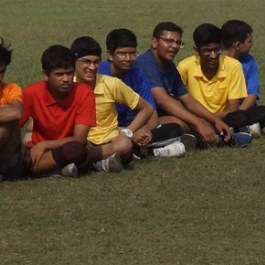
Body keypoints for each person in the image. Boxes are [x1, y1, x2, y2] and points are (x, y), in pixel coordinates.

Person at [120, 21, 226, 148]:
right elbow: (162, 100)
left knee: (199, 122)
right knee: (182, 125)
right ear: (154, 42)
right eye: (169, 41)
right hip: (137, 121)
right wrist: (197, 123)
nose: (174, 46)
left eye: (178, 43)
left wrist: (214, 119)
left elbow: (187, 99)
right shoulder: (145, 64)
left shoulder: (169, 66)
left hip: (158, 118)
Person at [71, 36, 152, 171]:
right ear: (74, 62)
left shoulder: (111, 83)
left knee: (125, 145)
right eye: (86, 62)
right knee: (74, 146)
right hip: (84, 140)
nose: (92, 67)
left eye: (96, 62)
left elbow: (147, 108)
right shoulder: (68, 86)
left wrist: (127, 131)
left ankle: (83, 161)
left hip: (111, 139)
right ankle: (101, 162)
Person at [103, 29, 187, 158]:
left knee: (175, 129)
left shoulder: (137, 74)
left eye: (132, 53)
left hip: (132, 127)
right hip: (107, 131)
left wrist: (144, 131)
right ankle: (149, 151)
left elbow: (152, 114)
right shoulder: (100, 75)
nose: (128, 59)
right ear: (110, 55)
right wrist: (129, 133)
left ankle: (139, 150)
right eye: (122, 54)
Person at [18, 44, 99, 177]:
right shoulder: (31, 92)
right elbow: (15, 126)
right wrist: (20, 148)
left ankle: (44, 169)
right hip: (37, 151)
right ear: (46, 75)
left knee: (77, 150)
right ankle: (54, 169)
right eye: (59, 74)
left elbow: (79, 139)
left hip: (65, 148)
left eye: (69, 73)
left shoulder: (84, 93)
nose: (66, 79)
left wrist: (45, 145)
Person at [179, 22, 265, 145]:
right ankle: (228, 135)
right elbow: (176, 100)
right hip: (197, 116)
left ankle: (205, 136)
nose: (213, 55)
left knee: (250, 114)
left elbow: (233, 109)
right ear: (196, 51)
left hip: (224, 117)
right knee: (175, 122)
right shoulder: (185, 66)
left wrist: (210, 119)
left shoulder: (234, 66)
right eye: (207, 51)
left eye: (217, 50)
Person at [221, 19, 265, 136]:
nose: (251, 45)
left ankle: (236, 126)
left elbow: (252, 94)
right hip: (221, 111)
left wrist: (238, 114)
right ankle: (243, 128)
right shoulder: (216, 62)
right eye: (249, 41)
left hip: (242, 110)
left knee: (264, 112)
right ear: (237, 45)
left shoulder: (249, 61)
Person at [0, 38, 24, 180]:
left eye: (2, 71)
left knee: (7, 123)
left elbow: (17, 112)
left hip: (9, 162)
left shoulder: (11, 89)